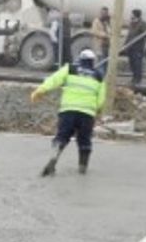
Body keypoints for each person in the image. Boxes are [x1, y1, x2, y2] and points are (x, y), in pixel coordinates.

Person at [31, 48, 106, 176]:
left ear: (80, 59)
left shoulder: (70, 69)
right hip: (87, 115)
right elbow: (101, 99)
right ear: (93, 62)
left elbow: (54, 80)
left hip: (68, 112)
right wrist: (98, 110)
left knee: (61, 138)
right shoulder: (99, 76)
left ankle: (52, 161)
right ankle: (82, 168)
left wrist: (40, 90)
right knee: (84, 141)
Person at [123, 9, 146, 87]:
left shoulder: (143, 24)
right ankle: (134, 78)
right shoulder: (132, 23)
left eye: (132, 14)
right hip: (130, 48)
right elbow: (129, 35)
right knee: (132, 64)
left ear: (135, 14)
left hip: (138, 48)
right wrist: (125, 45)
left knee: (137, 64)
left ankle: (138, 80)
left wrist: (139, 38)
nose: (130, 15)